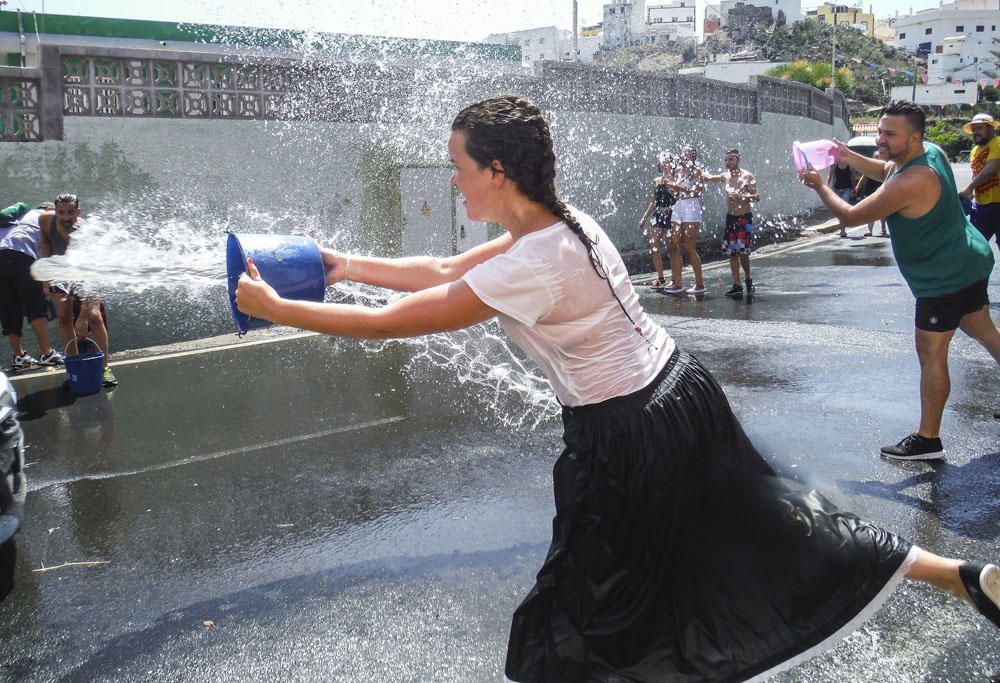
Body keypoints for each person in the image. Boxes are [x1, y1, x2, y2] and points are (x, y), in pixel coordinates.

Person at [236, 95, 1000, 681]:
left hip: (629, 436)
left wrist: (276, 308)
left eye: (459, 166)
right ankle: (964, 576)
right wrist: (340, 267)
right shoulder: (564, 224)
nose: (453, 178)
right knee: (766, 520)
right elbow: (442, 271)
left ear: (497, 173)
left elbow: (394, 323)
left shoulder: (528, 262)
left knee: (585, 613)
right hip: (681, 392)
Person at [799, 100, 999, 460]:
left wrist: (817, 184)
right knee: (984, 330)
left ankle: (928, 441)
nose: (881, 138)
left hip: (945, 278)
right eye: (879, 130)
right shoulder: (929, 154)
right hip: (970, 260)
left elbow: (850, 216)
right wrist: (848, 156)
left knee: (932, 353)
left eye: (890, 134)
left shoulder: (912, 180)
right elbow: (886, 168)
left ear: (914, 136)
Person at [38, 193, 117, 387]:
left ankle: (105, 368)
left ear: (78, 212)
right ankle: (73, 369)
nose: (65, 217)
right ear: (54, 211)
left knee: (94, 317)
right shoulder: (45, 220)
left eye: (70, 213)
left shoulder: (85, 232)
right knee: (64, 319)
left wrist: (82, 318)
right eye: (61, 212)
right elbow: (46, 243)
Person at [0, 202, 62, 370]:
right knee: (36, 306)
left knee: (8, 308)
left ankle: (19, 357)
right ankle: (47, 353)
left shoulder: (17, 217)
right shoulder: (46, 218)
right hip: (21, 256)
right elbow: (48, 252)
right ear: (50, 210)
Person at [705, 148, 759, 297]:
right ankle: (737, 284)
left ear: (738, 160)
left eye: (731, 159)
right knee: (732, 252)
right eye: (726, 160)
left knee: (743, 251)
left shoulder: (748, 176)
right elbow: (711, 178)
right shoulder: (725, 176)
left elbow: (756, 196)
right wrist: (701, 174)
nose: (728, 162)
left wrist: (741, 197)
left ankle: (748, 278)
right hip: (731, 217)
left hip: (744, 217)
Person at [661, 145, 706, 295]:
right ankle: (677, 282)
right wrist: (670, 187)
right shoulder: (678, 171)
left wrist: (679, 188)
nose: (683, 155)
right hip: (678, 206)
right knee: (674, 244)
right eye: (682, 153)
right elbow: (675, 192)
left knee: (689, 246)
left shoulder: (696, 171)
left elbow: (697, 191)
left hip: (691, 207)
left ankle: (699, 283)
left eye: (687, 153)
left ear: (693, 156)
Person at [959, 112, 1000, 245]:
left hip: (998, 204)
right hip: (981, 206)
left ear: (991, 128)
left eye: (980, 128)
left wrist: (969, 187)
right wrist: (968, 196)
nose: (976, 132)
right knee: (974, 246)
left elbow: (991, 169)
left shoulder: (997, 143)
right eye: (974, 129)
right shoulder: (974, 151)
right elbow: (977, 176)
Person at [637, 154, 676, 289]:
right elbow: (654, 201)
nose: (665, 165)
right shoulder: (656, 180)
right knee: (654, 246)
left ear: (672, 165)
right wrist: (644, 218)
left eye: (667, 162)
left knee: (672, 248)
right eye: (662, 163)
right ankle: (661, 278)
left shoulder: (676, 179)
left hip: (673, 214)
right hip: (658, 214)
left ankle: (675, 278)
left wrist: (670, 187)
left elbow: (679, 197)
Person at [827, 158, 855, 237]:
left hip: (847, 188)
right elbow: (830, 174)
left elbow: (852, 176)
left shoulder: (849, 163)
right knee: (839, 210)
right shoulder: (835, 164)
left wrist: (854, 188)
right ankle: (842, 230)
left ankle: (843, 230)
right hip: (837, 189)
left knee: (842, 209)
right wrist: (827, 185)